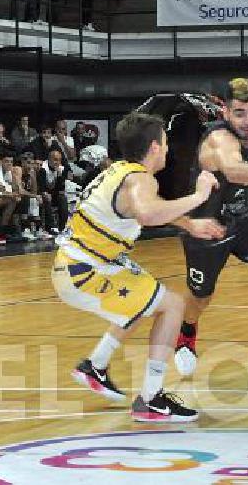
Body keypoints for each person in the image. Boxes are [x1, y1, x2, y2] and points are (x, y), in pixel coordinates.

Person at [84, 80, 248, 393]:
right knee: (200, 299)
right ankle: (188, 330)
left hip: (244, 216)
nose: (247, 120)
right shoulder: (217, 138)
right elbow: (235, 170)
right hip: (206, 225)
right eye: (239, 113)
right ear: (225, 111)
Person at [57, 111, 221, 422]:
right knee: (172, 306)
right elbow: (147, 214)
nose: (169, 147)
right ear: (155, 147)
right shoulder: (140, 179)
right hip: (84, 269)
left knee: (145, 299)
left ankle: (95, 365)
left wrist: (189, 225)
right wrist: (198, 196)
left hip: (88, 263)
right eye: (166, 141)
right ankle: (150, 399)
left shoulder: (121, 171)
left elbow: (145, 208)